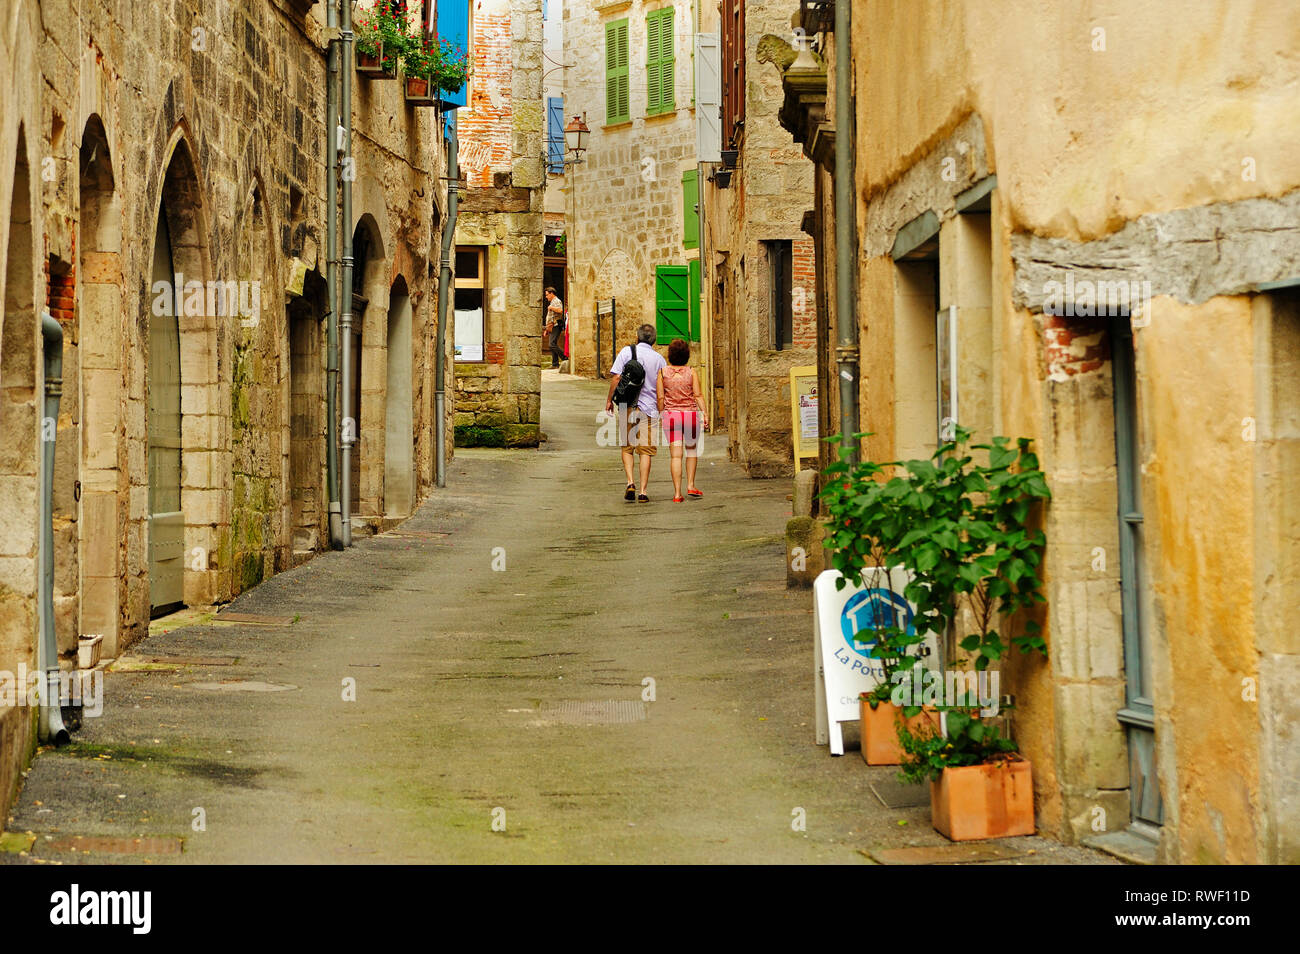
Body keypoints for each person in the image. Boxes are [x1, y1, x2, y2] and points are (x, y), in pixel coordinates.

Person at [605, 324, 667, 502]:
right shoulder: (659, 359)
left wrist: (609, 400)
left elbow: (616, 377)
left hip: (628, 406)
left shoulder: (626, 352)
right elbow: (662, 388)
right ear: (654, 340)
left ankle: (630, 482)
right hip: (650, 409)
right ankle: (643, 492)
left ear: (637, 337)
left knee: (627, 447)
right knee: (645, 450)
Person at [656, 338, 708, 502]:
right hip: (690, 416)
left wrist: (661, 413)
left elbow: (660, 397)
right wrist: (705, 413)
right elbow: (698, 395)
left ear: (670, 355)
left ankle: (677, 493)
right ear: (686, 355)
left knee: (676, 456)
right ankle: (691, 485)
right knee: (691, 451)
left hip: (671, 416)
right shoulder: (691, 372)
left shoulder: (663, 373)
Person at [543, 286, 565, 369]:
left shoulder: (556, 301)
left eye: (547, 295)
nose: (546, 297)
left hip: (556, 325)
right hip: (552, 326)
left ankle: (564, 357)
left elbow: (560, 310)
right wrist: (547, 329)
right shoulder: (552, 302)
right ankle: (555, 364)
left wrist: (551, 308)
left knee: (551, 344)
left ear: (551, 293)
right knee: (553, 344)